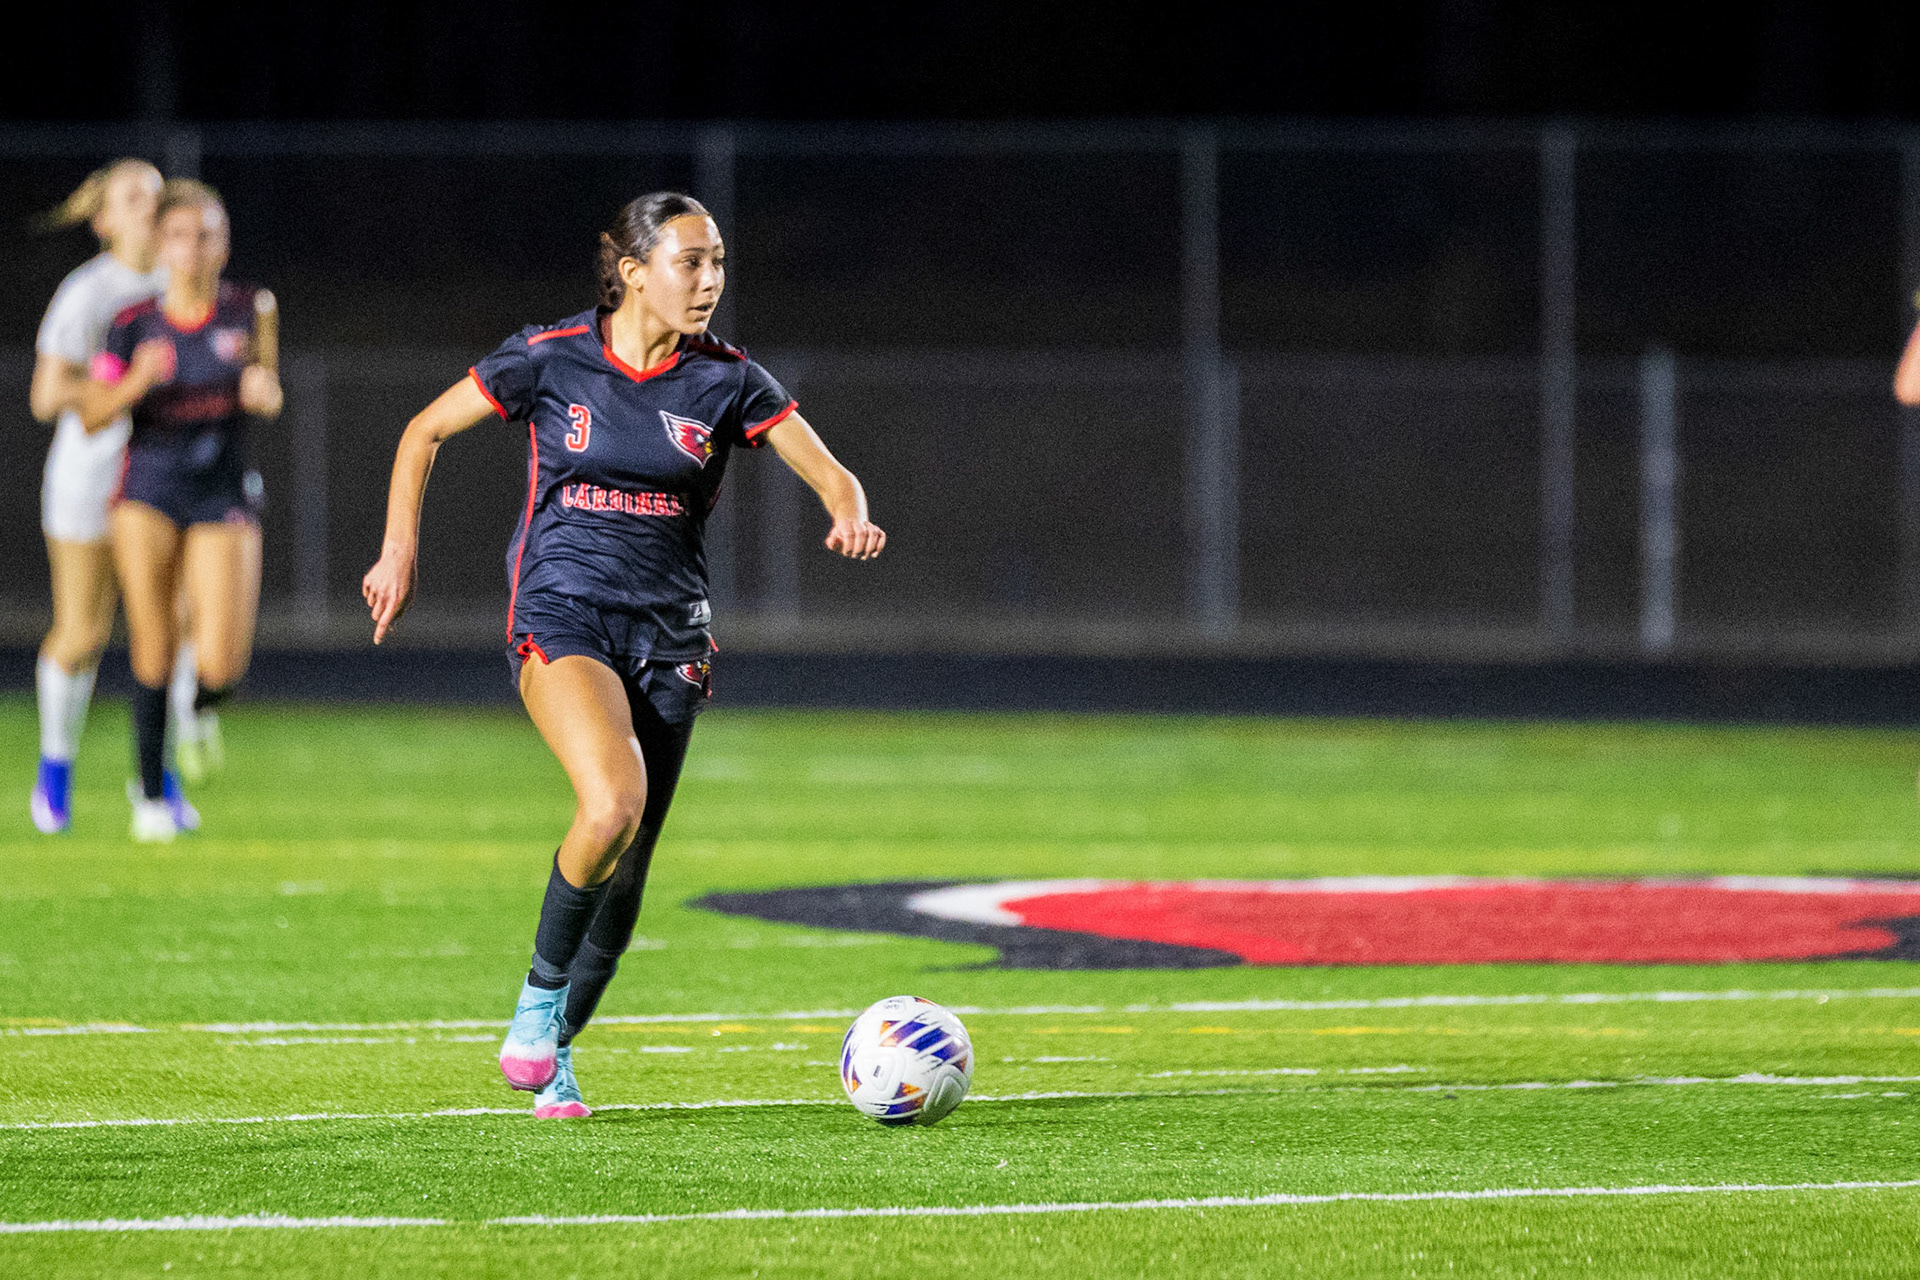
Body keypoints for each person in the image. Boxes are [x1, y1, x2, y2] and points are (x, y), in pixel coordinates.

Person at [361, 192, 885, 1119]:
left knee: (627, 870)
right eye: (691, 261)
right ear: (634, 272)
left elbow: (831, 472)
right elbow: (423, 432)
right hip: (562, 614)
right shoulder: (549, 356)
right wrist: (399, 549)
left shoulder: (729, 380)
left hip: (671, 639)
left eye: (718, 261)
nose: (710, 280)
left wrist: (848, 511)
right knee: (611, 803)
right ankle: (534, 1009)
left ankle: (555, 1048)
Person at [80, 179, 281, 842]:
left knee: (222, 665)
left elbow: (267, 386)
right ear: (160, 245)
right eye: (178, 236)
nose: (191, 249)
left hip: (221, 490)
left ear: (224, 244)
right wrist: (136, 381)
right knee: (153, 647)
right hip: (147, 491)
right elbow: (92, 414)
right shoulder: (132, 323)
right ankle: (149, 796)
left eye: (205, 236)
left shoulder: (251, 308)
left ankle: (197, 709)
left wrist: (263, 391)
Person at [27, 159, 182, 833]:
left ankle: (157, 776)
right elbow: (45, 396)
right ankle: (55, 769)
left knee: (168, 631)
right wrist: (123, 387)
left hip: (163, 476)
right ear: (104, 220)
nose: (151, 205)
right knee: (83, 633)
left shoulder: (182, 283)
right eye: (134, 196)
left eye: (157, 193)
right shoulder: (88, 292)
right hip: (90, 477)